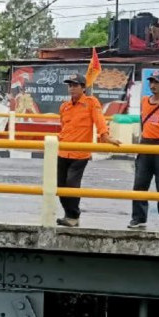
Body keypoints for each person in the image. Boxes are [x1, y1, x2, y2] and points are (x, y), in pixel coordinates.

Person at [56, 73, 121, 227]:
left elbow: (99, 120)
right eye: (70, 85)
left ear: (83, 87)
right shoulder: (64, 106)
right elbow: (63, 127)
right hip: (63, 151)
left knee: (72, 183)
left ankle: (73, 215)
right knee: (60, 186)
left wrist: (105, 136)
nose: (72, 88)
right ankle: (68, 214)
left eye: (75, 85)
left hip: (80, 153)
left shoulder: (91, 102)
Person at [128, 69, 159, 229]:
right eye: (151, 82)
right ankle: (139, 218)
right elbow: (143, 123)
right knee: (140, 184)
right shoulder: (144, 101)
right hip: (146, 145)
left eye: (156, 82)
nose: (153, 85)